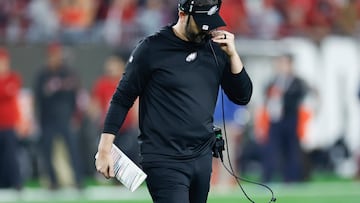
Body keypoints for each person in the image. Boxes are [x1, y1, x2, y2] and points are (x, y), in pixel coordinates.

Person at [95, 0, 253, 202]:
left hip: (202, 156)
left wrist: (233, 55)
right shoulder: (152, 49)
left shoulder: (215, 50)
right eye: (201, 23)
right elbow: (122, 99)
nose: (207, 30)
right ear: (182, 14)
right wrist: (104, 149)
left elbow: (243, 96)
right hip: (164, 159)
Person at [33, 43, 83, 189]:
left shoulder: (68, 73)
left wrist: (76, 116)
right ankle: (53, 181)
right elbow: (38, 98)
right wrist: (36, 119)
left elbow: (75, 97)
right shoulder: (42, 75)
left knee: (72, 150)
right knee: (48, 151)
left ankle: (78, 180)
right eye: (52, 56)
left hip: (66, 118)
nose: (55, 59)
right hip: (47, 119)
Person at [262, 53, 307, 182]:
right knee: (271, 149)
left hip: (290, 119)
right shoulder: (273, 81)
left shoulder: (296, 81)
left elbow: (298, 97)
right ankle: (267, 178)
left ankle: (292, 178)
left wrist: (282, 98)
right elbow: (266, 94)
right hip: (275, 120)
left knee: (291, 150)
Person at [89, 54, 140, 166]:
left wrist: (136, 123)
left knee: (128, 150)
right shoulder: (102, 83)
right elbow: (95, 105)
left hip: (126, 127)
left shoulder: (128, 82)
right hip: (107, 127)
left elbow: (136, 105)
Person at [0, 47, 23, 189]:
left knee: (11, 155)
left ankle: (16, 182)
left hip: (9, 123)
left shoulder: (13, 77)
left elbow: (9, 93)